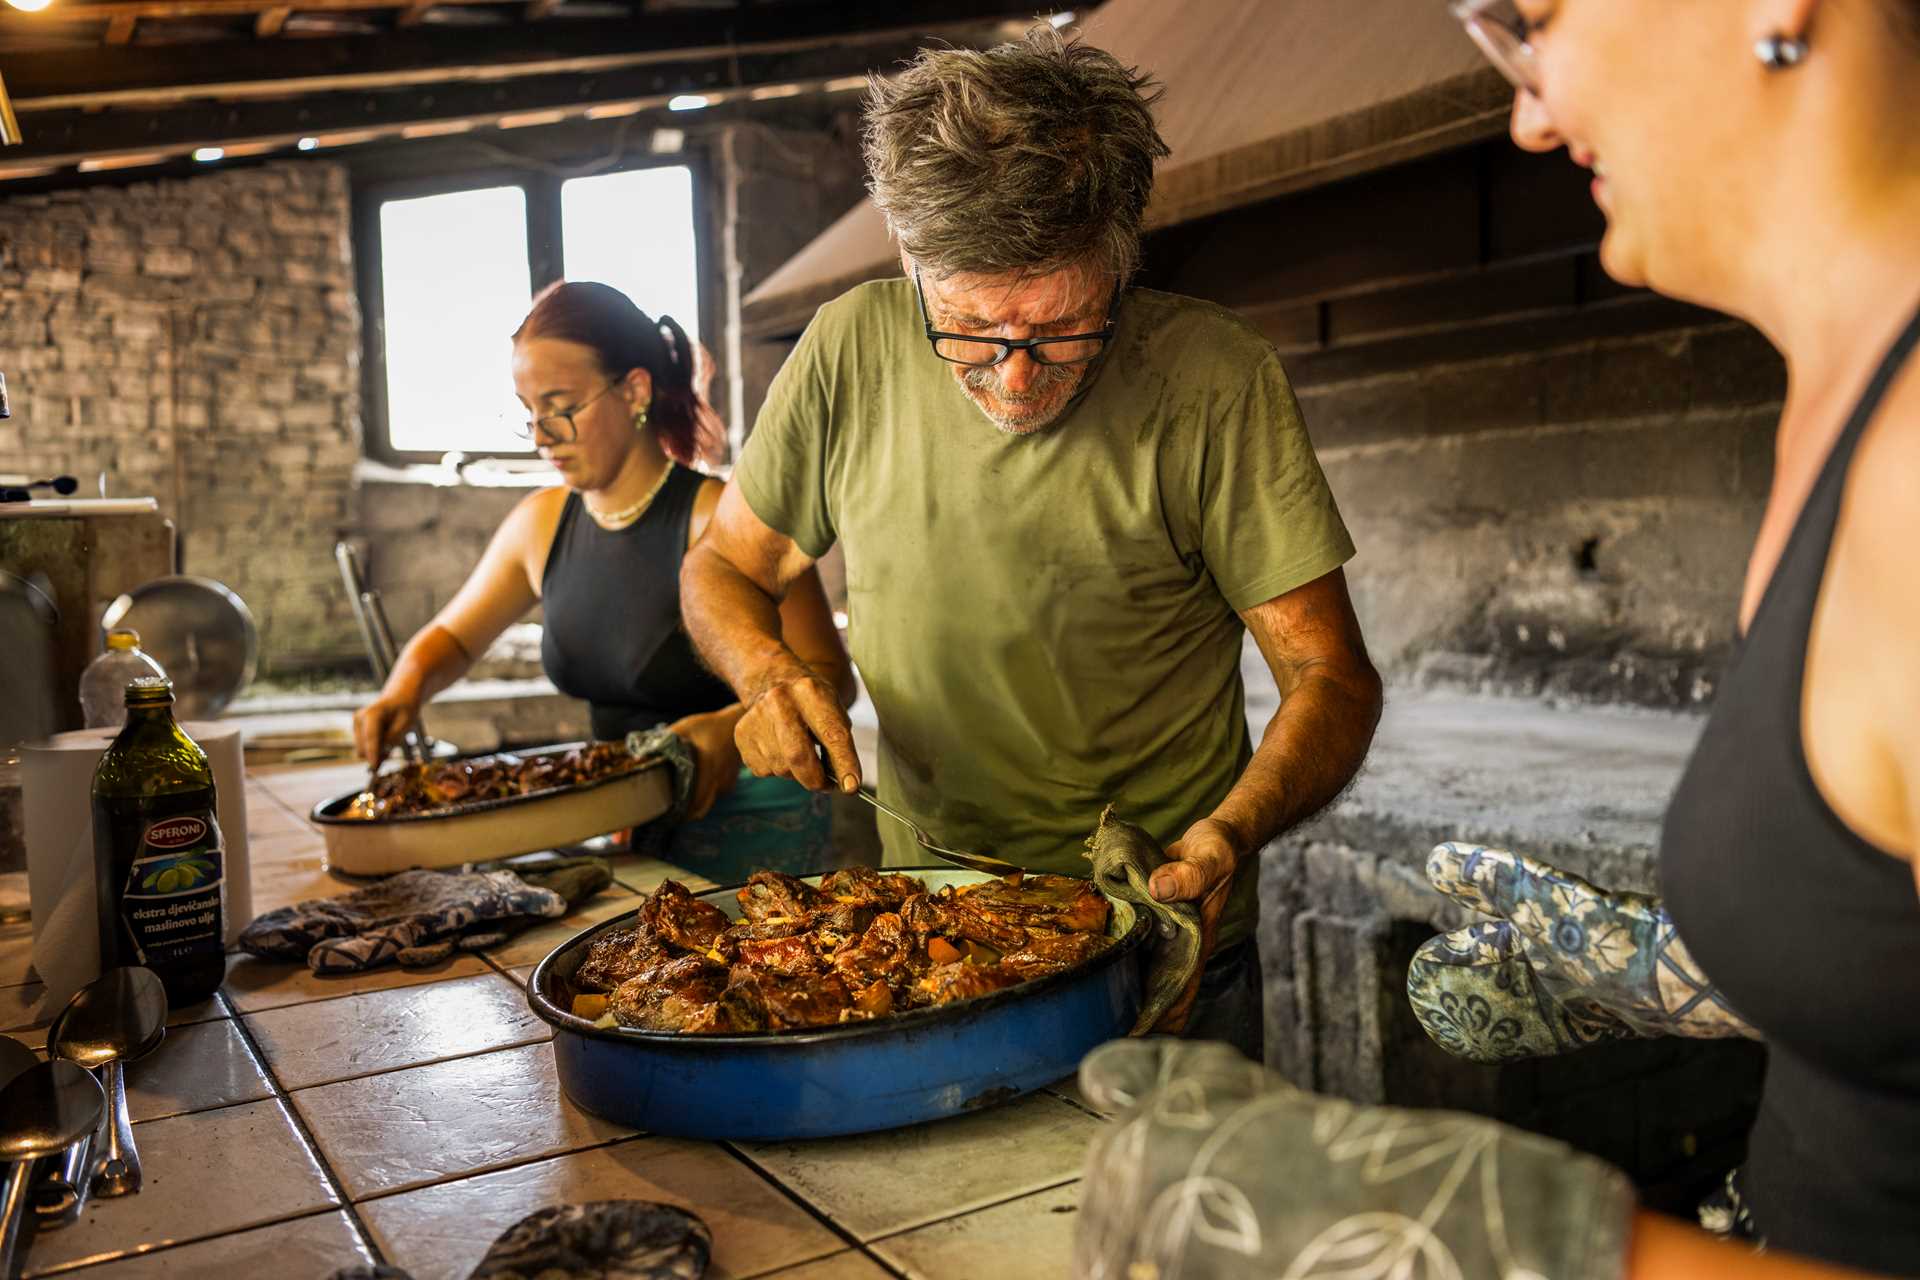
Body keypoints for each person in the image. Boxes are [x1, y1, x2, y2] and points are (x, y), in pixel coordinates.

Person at [1078, 1, 1920, 1276]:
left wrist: (1505, 1243)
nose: (1525, 109)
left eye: (1534, 19)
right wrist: (1667, 971)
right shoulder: (1848, 400)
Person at [679, 27, 1385, 1051]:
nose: (1015, 376)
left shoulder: (1213, 380)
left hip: (1160, 938)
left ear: (1121, 264)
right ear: (911, 263)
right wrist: (764, 670)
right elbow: (724, 565)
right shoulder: (848, 350)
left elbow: (1334, 675)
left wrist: (1231, 831)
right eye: (971, 327)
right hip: (921, 932)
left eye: (1061, 328)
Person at [354, 281, 855, 871]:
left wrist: (728, 728)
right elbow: (454, 638)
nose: (542, 436)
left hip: (754, 820)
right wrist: (402, 689)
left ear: (634, 391)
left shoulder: (722, 517)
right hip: (627, 822)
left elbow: (829, 677)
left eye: (561, 407)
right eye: (529, 413)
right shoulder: (541, 524)